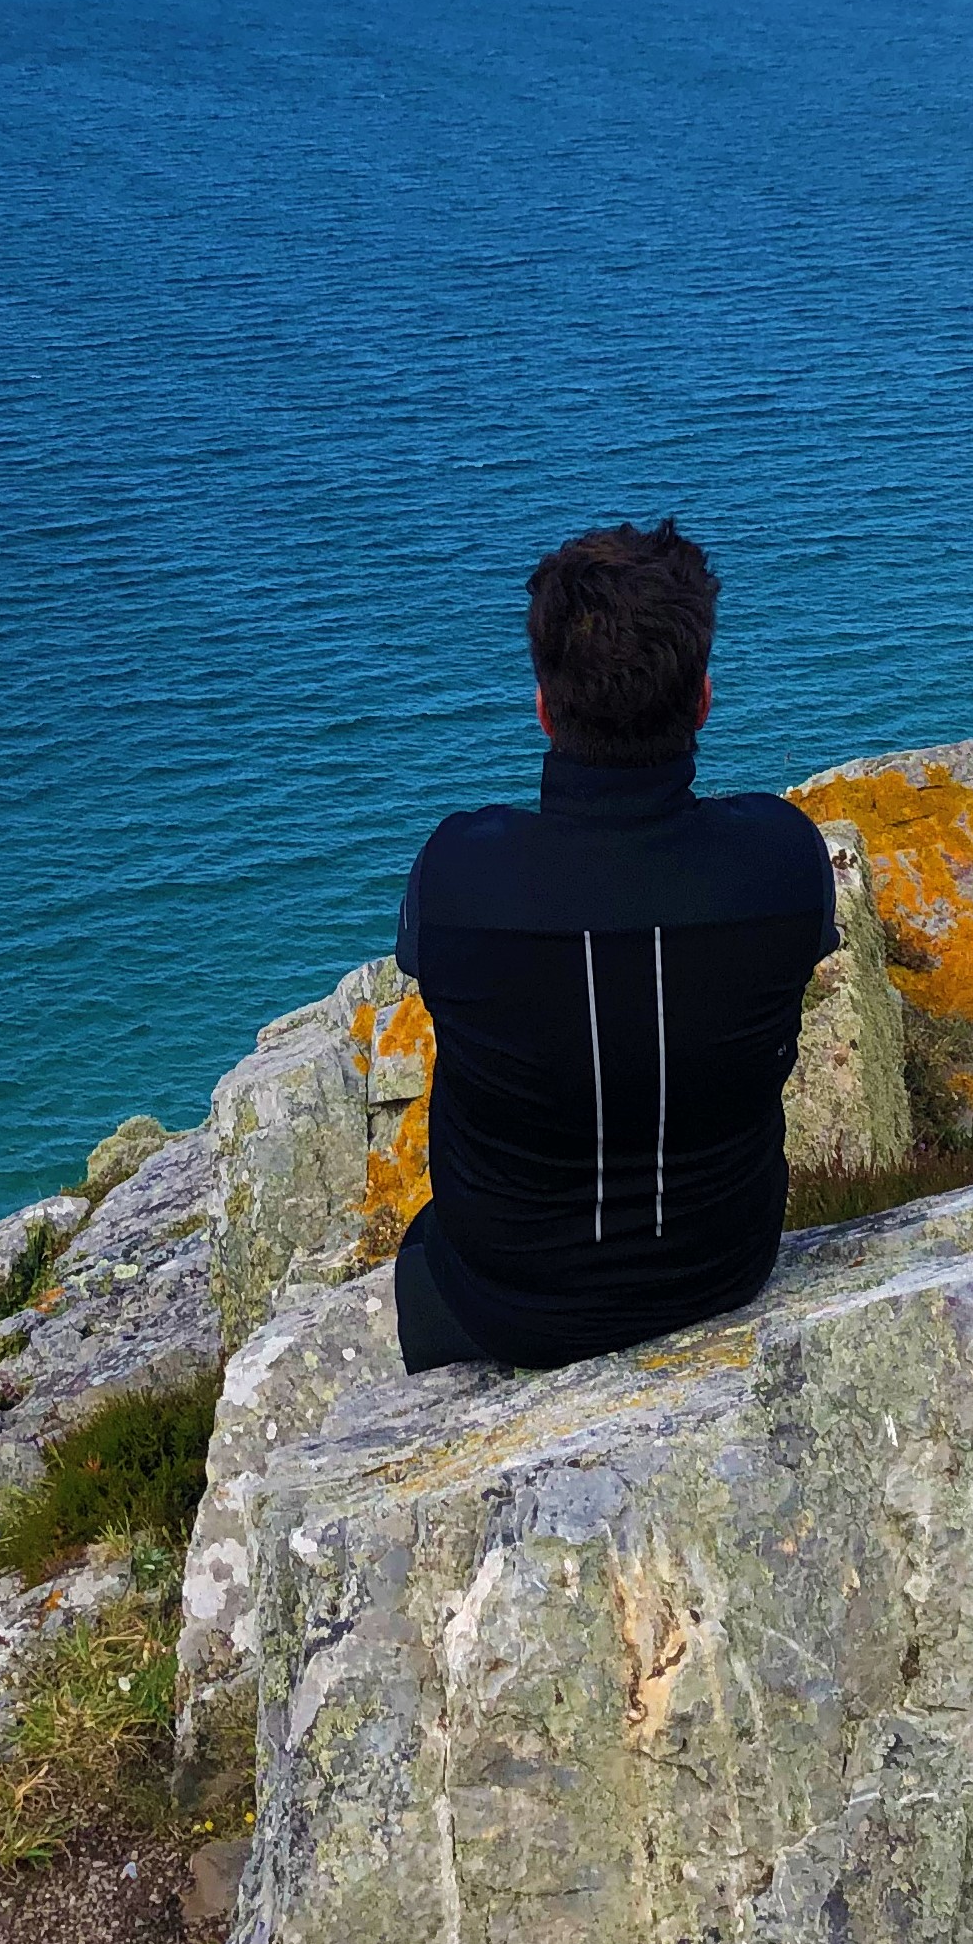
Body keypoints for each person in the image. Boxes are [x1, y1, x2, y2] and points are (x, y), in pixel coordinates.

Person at [391, 519, 838, 1375]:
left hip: (501, 1301)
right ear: (703, 698)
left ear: (543, 708)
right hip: (724, 1267)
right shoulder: (783, 859)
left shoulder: (455, 876)